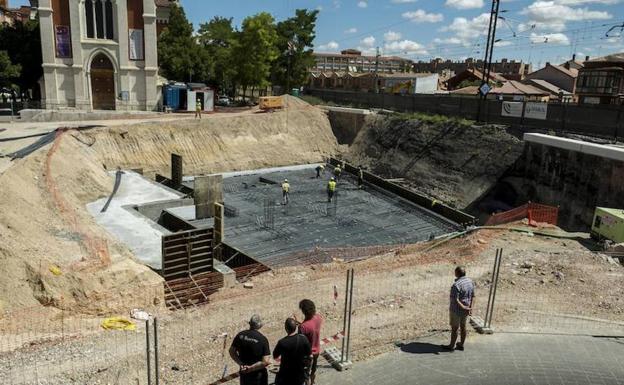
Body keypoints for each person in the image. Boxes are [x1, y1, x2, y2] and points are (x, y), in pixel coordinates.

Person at [229, 315, 271, 385]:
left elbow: (231, 351)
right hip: (258, 376)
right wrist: (251, 368)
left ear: (249, 323)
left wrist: (241, 363)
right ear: (260, 325)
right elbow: (265, 362)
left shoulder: (240, 335)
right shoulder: (262, 339)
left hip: (244, 374)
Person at [442, 266, 475, 351]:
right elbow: (473, 296)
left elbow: (455, 300)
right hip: (466, 309)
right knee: (463, 327)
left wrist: (462, 307)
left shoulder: (456, 285)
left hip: (456, 310)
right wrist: (470, 308)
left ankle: (451, 346)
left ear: (457, 273)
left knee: (455, 328)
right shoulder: (470, 282)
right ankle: (461, 344)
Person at [273, 318, 312, 385]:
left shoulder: (282, 342)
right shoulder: (303, 339)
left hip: (285, 375)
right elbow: (310, 355)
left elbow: (275, 355)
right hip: (299, 374)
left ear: (286, 328)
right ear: (295, 327)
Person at [294, 299, 323, 385]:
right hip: (316, 350)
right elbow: (311, 327)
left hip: (307, 355)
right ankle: (313, 382)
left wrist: (300, 324)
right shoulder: (318, 318)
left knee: (305, 373)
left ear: (303, 311)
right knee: (313, 369)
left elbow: (300, 342)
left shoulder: (303, 327)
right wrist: (301, 323)